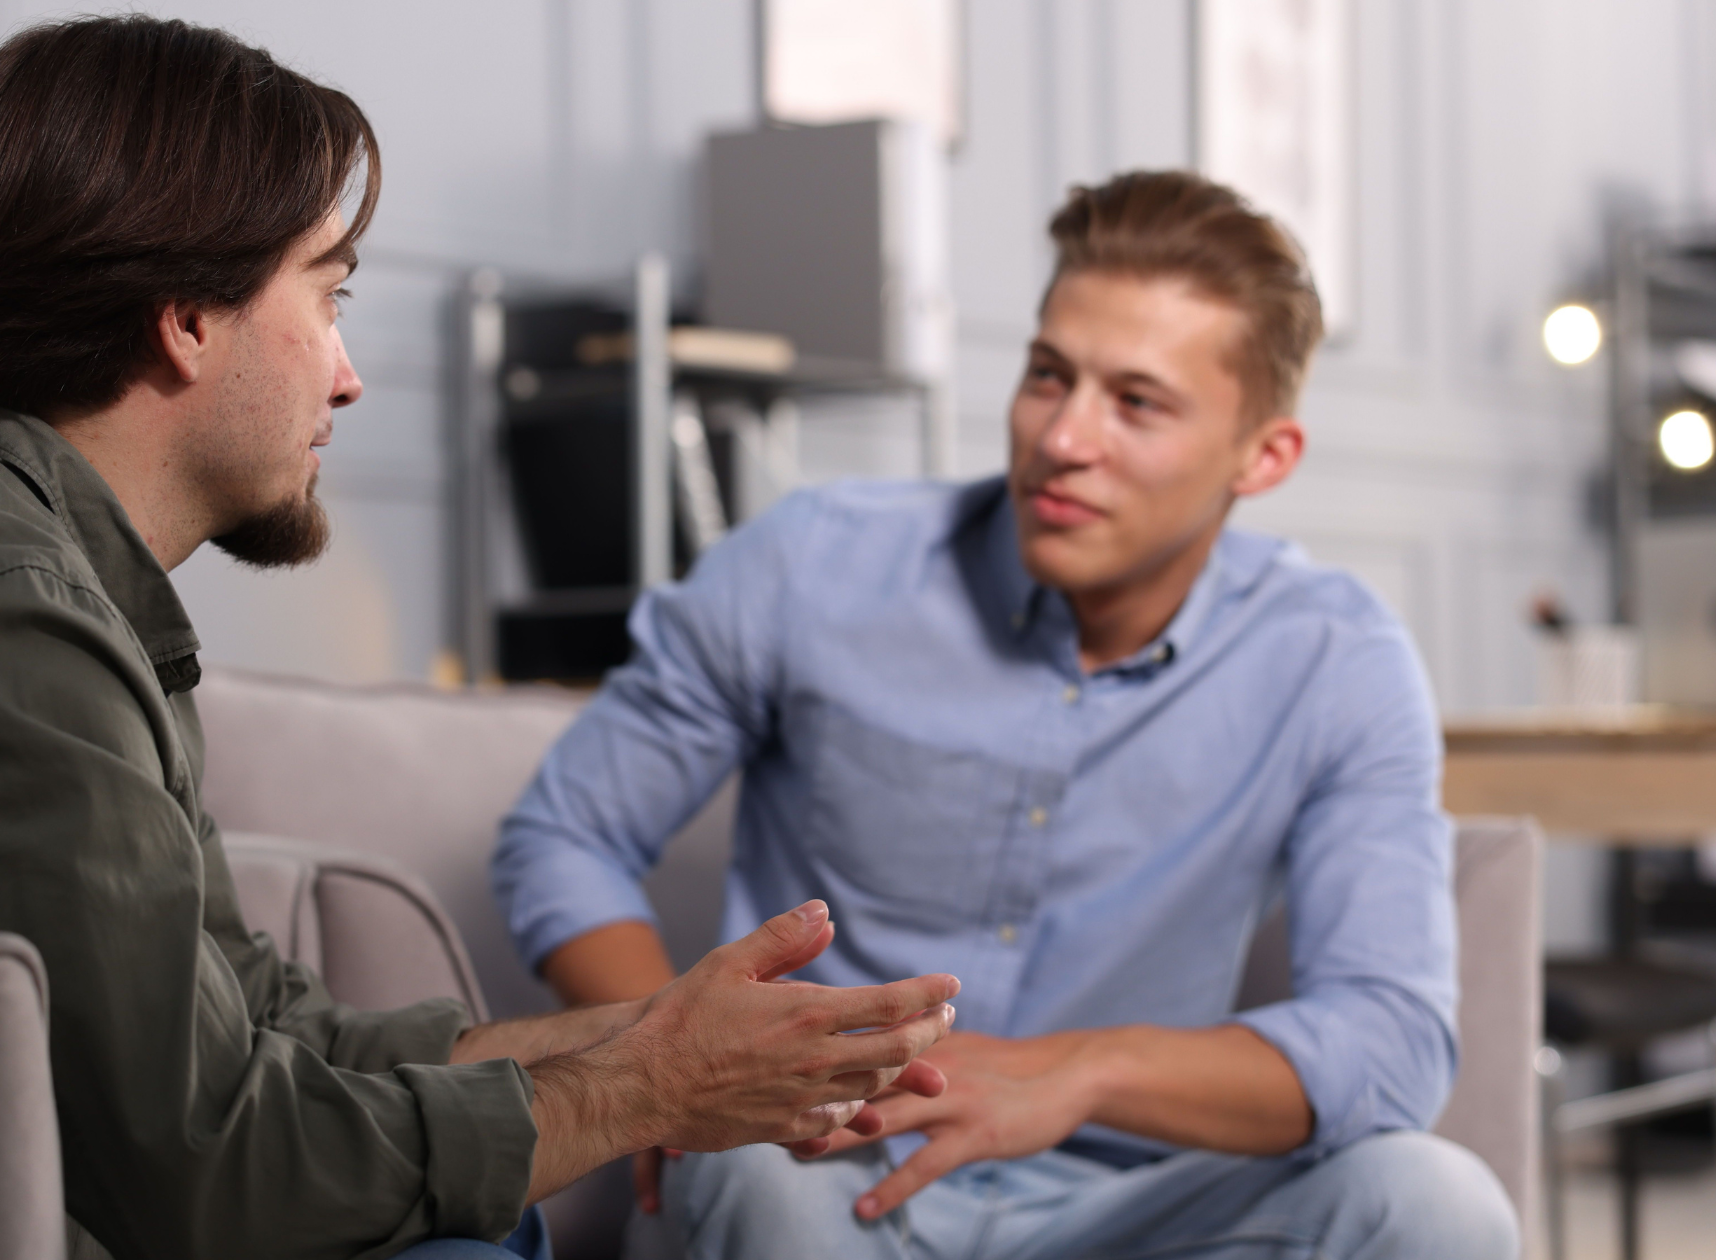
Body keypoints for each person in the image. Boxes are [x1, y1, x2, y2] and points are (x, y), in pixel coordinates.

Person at [0, 16, 964, 1260]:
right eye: (326, 298)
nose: (345, 377)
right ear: (187, 323)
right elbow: (213, 1173)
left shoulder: (25, 577)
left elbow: (262, 1033)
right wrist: (642, 1098)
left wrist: (642, 1044)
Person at [491, 170, 1521, 1259]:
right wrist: (669, 1067)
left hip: (1145, 1206)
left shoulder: (1334, 658)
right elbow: (565, 835)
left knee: (1435, 1205)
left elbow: (1389, 1039)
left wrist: (1075, 1074)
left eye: (1135, 402)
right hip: (826, 1173)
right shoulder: (814, 563)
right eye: (1046, 376)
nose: (1061, 439)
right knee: (754, 1187)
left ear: (1260, 458)